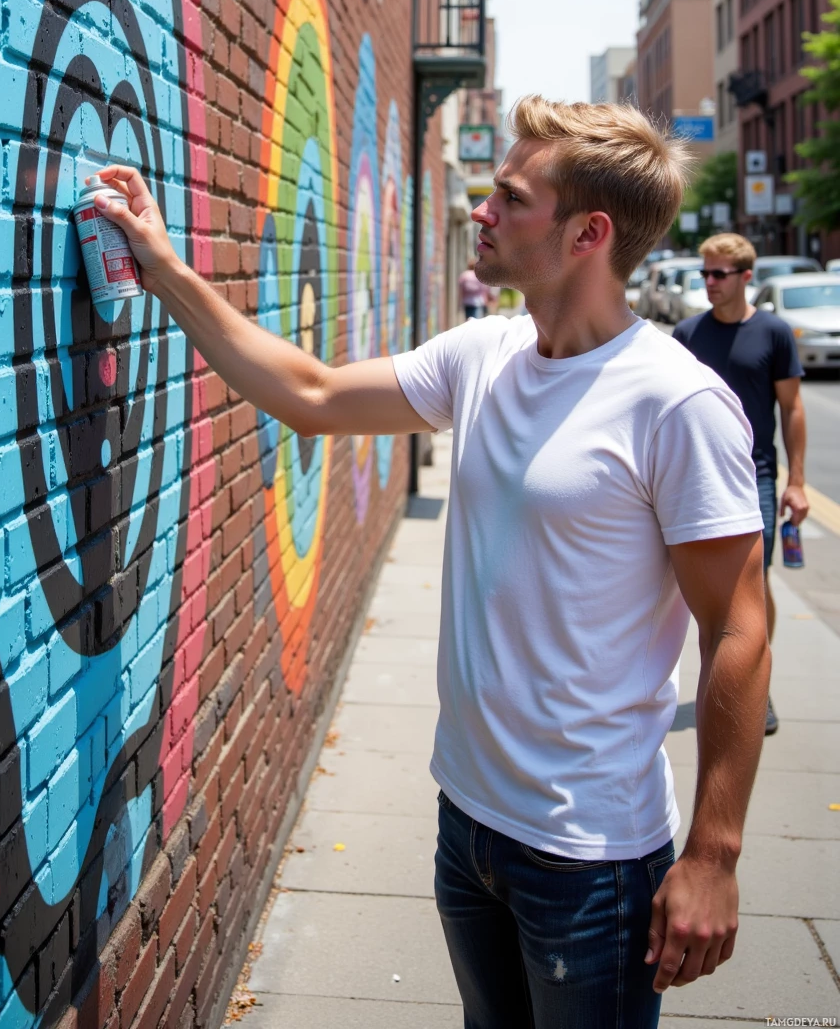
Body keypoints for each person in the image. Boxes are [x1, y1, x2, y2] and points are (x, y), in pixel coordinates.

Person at [94, 96, 768, 1029]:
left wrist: (713, 856)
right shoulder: (485, 352)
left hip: (593, 857)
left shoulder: (675, 403)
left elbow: (738, 627)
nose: (483, 212)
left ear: (588, 232)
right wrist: (162, 268)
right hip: (469, 824)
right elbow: (315, 393)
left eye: (509, 197)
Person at [673, 232, 809, 735]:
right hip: (694, 477)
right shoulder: (687, 335)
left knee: (753, 584)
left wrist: (797, 482)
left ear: (746, 277)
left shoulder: (774, 333)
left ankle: (754, 685)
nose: (708, 282)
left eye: (718, 274)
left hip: (756, 477)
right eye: (704, 272)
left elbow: (792, 410)